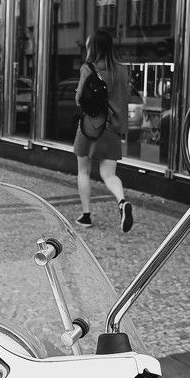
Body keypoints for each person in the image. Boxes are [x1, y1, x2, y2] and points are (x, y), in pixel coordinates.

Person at [74, 29, 133, 232]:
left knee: (83, 170)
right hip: (112, 129)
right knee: (109, 174)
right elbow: (124, 99)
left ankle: (86, 216)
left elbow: (79, 99)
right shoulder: (122, 70)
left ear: (93, 47)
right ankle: (122, 202)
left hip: (90, 127)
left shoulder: (88, 68)